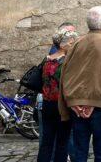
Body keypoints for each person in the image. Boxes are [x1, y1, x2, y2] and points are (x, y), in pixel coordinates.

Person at [58, 6, 101, 162]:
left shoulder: (76, 44)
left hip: (77, 106)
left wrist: (70, 103)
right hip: (100, 105)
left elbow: (65, 75)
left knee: (80, 152)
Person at [37, 28, 78, 162]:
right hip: (62, 106)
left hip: (47, 104)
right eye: (71, 43)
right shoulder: (66, 62)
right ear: (62, 44)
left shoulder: (46, 60)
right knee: (62, 142)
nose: (72, 46)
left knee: (46, 142)